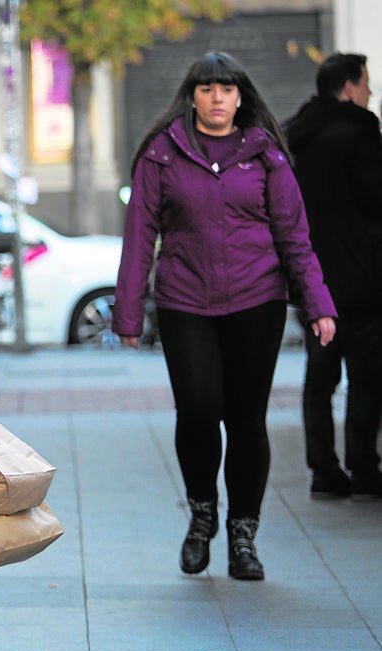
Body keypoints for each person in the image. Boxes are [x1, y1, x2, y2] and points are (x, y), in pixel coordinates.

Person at [114, 51, 337, 582]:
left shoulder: (267, 156)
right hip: (185, 301)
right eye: (208, 88)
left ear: (242, 97)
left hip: (255, 302)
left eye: (228, 89)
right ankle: (201, 515)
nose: (218, 98)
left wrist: (318, 304)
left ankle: (243, 533)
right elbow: (140, 235)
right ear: (191, 95)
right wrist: (128, 312)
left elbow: (294, 238)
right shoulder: (161, 155)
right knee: (197, 410)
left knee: (244, 419)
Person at [283, 52, 382, 501]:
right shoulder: (360, 134)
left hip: (312, 278)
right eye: (365, 84)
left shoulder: (296, 138)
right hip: (362, 276)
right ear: (347, 87)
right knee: (365, 378)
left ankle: (323, 470)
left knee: (319, 379)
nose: (370, 93)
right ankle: (364, 468)